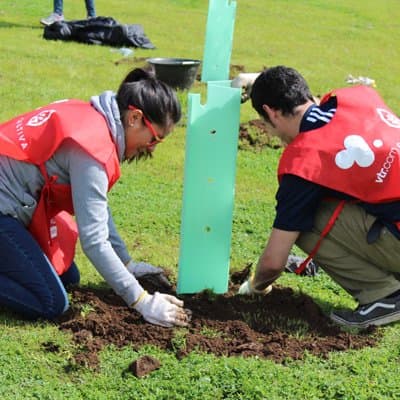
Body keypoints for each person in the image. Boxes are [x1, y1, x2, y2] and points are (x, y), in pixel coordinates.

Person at [0, 67, 191, 328]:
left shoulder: (95, 118)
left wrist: (127, 264)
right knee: (50, 302)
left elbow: (96, 208)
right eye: (154, 139)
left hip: (14, 204)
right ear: (134, 118)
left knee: (68, 277)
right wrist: (141, 301)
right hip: (4, 210)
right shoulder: (91, 147)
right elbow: (94, 241)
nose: (151, 149)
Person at [237, 65, 400, 329]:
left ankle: (385, 295)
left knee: (306, 218)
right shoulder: (358, 96)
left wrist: (254, 287)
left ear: (270, 112)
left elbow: (273, 262)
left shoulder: (306, 159)